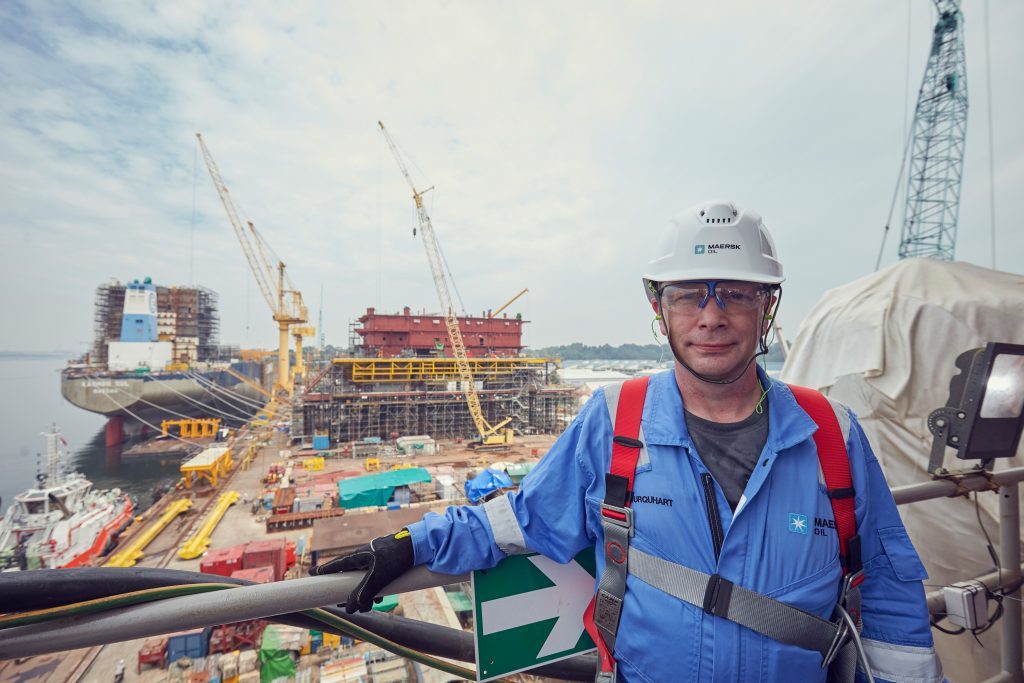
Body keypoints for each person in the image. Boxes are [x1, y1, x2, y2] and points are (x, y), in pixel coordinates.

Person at [313, 201, 943, 683]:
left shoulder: (830, 432)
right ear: (659, 307)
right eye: (690, 294)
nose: (712, 316)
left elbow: (890, 585)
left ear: (767, 307)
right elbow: (521, 519)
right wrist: (410, 543)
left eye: (738, 295)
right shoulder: (616, 420)